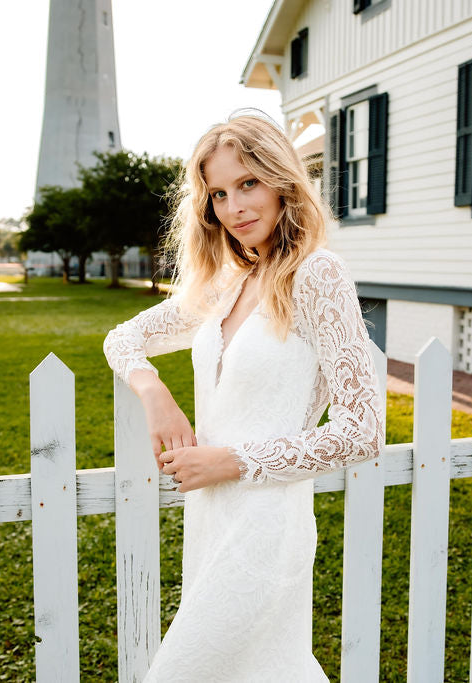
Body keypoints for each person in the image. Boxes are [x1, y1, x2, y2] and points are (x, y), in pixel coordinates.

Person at [103, 114, 383, 681]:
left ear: (281, 181)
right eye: (219, 193)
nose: (234, 207)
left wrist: (231, 461)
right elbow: (123, 339)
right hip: (209, 521)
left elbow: (363, 430)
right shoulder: (229, 282)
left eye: (248, 183)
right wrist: (154, 391)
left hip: (266, 526)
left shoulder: (317, 275)